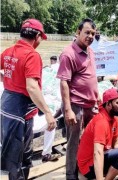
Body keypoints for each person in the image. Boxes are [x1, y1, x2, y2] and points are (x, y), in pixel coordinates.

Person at [0, 18, 57, 180]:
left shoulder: (9, 51)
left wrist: (5, 80)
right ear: (37, 35)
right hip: (20, 111)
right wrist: (47, 112)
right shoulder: (32, 55)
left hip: (7, 107)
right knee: (19, 157)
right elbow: (32, 87)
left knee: (16, 155)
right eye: (41, 38)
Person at [57, 18, 99, 180]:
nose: (90, 36)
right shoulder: (68, 54)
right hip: (76, 106)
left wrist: (97, 96)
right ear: (78, 32)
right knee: (73, 143)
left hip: (90, 105)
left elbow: (91, 77)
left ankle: (86, 170)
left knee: (90, 140)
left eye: (93, 34)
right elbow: (64, 82)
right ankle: (71, 175)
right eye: (87, 32)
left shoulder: (91, 51)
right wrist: (67, 109)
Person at [77, 88, 118, 180]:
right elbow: (97, 152)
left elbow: (116, 143)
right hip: (88, 166)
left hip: (102, 155)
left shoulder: (114, 119)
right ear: (108, 104)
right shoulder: (101, 122)